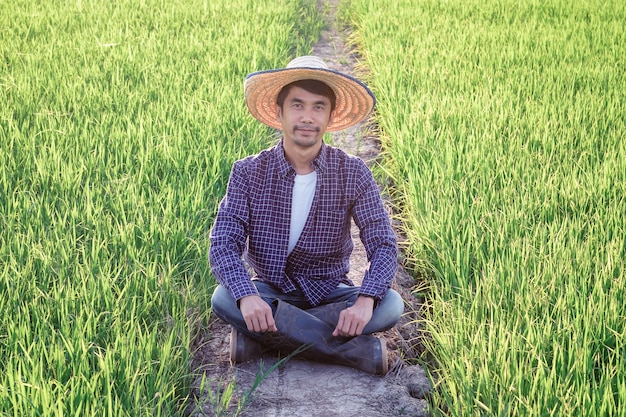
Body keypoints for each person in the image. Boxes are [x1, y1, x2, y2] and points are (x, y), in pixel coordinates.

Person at [209, 56, 404, 375]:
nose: (307, 117)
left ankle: (260, 342)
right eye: (297, 105)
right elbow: (222, 244)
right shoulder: (248, 172)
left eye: (318, 107)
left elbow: (383, 244)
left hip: (330, 293)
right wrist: (248, 297)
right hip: (271, 291)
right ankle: (353, 351)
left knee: (391, 305)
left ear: (329, 117)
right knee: (224, 298)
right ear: (279, 112)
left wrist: (366, 299)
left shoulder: (353, 172)